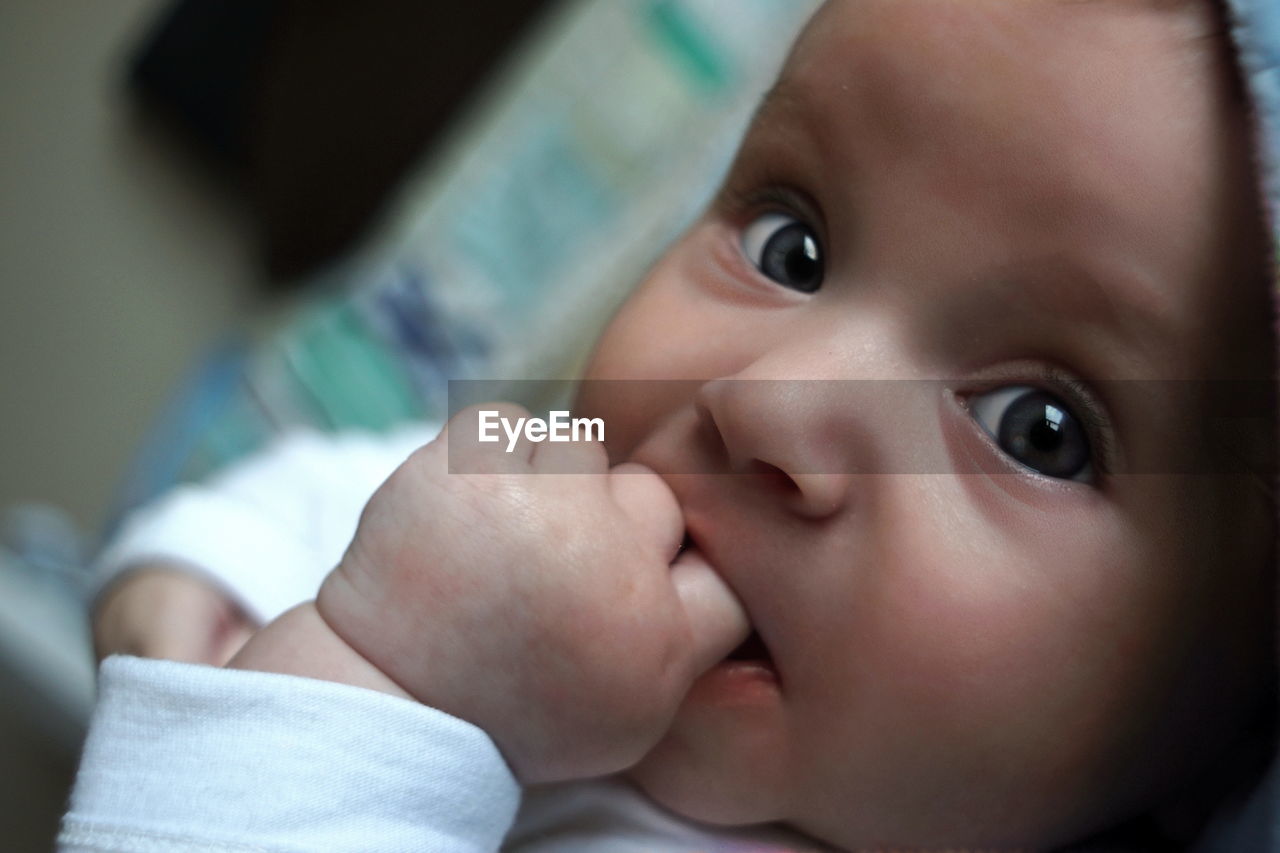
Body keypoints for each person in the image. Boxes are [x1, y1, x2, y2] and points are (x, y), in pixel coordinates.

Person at [63, 0, 1280, 849]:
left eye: (1037, 428)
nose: (768, 400)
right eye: (788, 245)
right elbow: (350, 481)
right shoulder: (555, 468)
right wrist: (187, 569)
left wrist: (387, 672)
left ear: (1227, 734)